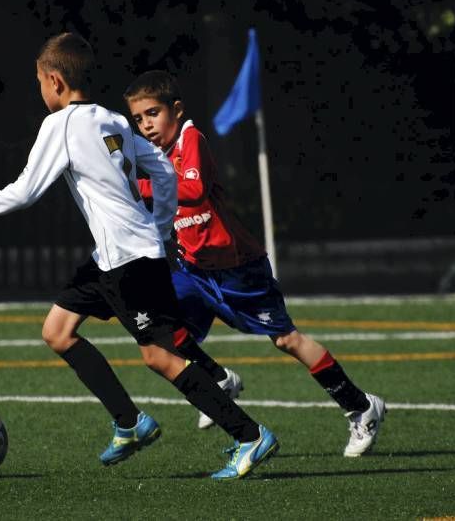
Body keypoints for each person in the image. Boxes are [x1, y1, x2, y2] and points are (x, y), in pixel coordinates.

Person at [0, 32, 278, 480]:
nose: (41, 92)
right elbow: (162, 167)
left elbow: (26, 191)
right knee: (58, 331)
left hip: (129, 261)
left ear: (55, 81)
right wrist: (159, 225)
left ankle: (249, 435)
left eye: (40, 83)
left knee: (161, 358)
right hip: (113, 256)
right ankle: (130, 422)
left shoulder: (61, 124)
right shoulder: (112, 120)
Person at [124, 69, 386, 457]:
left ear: (176, 110)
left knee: (286, 339)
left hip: (238, 268)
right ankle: (219, 379)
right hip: (195, 269)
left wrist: (139, 186)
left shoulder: (191, 139)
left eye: (153, 113)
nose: (146, 125)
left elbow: (193, 191)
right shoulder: (160, 155)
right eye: (138, 119)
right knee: (164, 329)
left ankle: (361, 407)